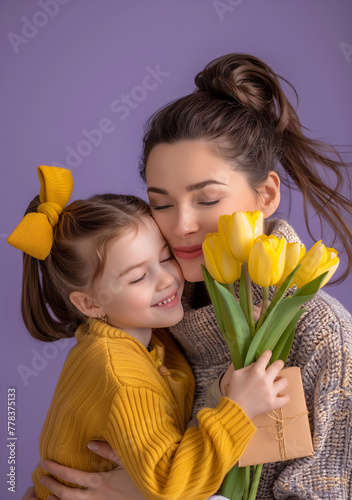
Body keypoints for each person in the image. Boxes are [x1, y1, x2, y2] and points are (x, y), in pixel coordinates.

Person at [24, 53, 352, 499]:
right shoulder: (156, 322)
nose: (181, 226)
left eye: (207, 199)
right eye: (161, 203)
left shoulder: (321, 334)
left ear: (266, 195)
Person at [12, 165, 290, 500]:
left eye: (164, 257)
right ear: (89, 303)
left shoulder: (143, 338)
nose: (166, 279)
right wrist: (240, 409)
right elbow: (172, 484)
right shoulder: (118, 371)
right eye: (136, 277)